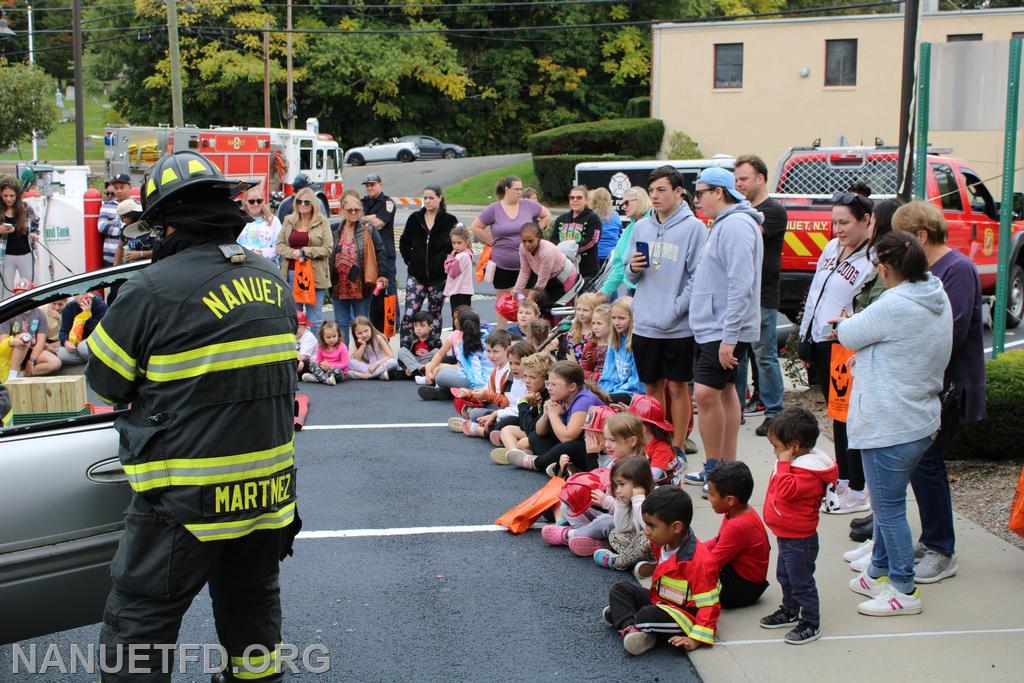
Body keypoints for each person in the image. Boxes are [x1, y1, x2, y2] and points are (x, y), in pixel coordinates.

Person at [84, 150, 301, 681]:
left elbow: (105, 382)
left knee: (139, 625)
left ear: (167, 223)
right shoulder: (272, 279)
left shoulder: (151, 289)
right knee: (252, 617)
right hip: (265, 494)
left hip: (181, 500)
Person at [838, 231, 952, 617]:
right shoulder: (934, 292)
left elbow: (849, 333)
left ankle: (902, 589)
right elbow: (898, 346)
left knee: (889, 510)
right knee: (892, 504)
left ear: (886, 269)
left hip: (889, 422)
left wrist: (849, 323)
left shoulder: (894, 303)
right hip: (918, 417)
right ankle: (879, 570)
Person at [900, 201, 985, 583]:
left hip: (948, 384)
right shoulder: (930, 271)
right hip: (927, 381)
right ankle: (932, 538)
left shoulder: (959, 269)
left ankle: (941, 548)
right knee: (922, 463)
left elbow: (953, 328)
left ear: (921, 236)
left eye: (903, 239)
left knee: (929, 463)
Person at [684, 167, 764, 497]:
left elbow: (740, 283)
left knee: (705, 394)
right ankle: (723, 468)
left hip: (723, 329)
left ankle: (716, 467)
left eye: (700, 192)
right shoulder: (727, 224)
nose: (696, 199)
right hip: (717, 327)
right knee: (725, 391)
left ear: (719, 192)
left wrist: (729, 336)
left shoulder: (735, 226)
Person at [797, 189, 874, 514]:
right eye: (835, 223)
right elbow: (816, 293)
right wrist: (803, 336)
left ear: (866, 221)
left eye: (845, 223)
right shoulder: (832, 247)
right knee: (836, 416)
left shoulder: (873, 258)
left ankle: (858, 487)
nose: (838, 229)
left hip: (846, 345)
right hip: (822, 342)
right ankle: (843, 479)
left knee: (849, 418)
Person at [626, 166, 706, 452]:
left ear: (678, 191)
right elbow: (629, 273)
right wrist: (633, 269)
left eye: (661, 190)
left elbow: (698, 276)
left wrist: (676, 308)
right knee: (651, 388)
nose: (655, 196)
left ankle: (679, 444)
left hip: (678, 325)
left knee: (677, 387)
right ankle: (655, 443)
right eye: (652, 191)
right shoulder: (641, 227)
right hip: (646, 321)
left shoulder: (694, 228)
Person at [607, 486, 719, 655]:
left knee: (646, 615)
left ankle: (628, 621)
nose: (646, 531)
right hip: (662, 601)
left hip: (686, 614)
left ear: (676, 527)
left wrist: (696, 638)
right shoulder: (663, 543)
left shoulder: (698, 561)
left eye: (652, 526)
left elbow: (709, 605)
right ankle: (633, 629)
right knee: (619, 589)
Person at [760, 408, 838, 644]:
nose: (775, 453)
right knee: (785, 575)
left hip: (799, 540)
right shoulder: (795, 464)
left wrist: (783, 464)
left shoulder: (807, 472)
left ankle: (811, 622)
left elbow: (786, 490)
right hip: (786, 536)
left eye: (776, 446)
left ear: (793, 446)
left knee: (801, 581)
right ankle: (790, 610)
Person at [732, 155, 788, 437]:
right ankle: (736, 409)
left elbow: (749, 235)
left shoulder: (772, 211)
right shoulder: (742, 210)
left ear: (761, 178)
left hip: (763, 296)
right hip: (742, 296)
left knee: (764, 355)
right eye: (736, 179)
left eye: (743, 179)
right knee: (738, 357)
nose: (738, 184)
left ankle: (774, 413)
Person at [471, 176, 551, 329]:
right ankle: (502, 333)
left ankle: (528, 333)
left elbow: (546, 214)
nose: (520, 192)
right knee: (503, 301)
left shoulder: (528, 205)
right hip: (502, 263)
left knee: (527, 301)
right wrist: (490, 241)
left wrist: (538, 231)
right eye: (517, 189)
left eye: (521, 189)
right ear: (506, 189)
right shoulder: (494, 208)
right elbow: (476, 227)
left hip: (528, 262)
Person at [500, 361, 606, 473]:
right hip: (580, 447)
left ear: (572, 387)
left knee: (569, 447)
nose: (549, 388)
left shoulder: (583, 401)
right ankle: (560, 466)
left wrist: (553, 414)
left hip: (598, 454)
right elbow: (539, 431)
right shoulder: (563, 396)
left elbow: (567, 437)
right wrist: (546, 414)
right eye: (548, 383)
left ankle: (535, 463)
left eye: (554, 384)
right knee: (536, 438)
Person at [705, 462, 770, 609]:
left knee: (691, 585)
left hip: (742, 588)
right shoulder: (735, 511)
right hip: (737, 574)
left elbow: (712, 563)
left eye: (711, 494)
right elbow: (718, 541)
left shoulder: (738, 525)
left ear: (730, 500)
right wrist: (693, 550)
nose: (709, 498)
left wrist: (683, 564)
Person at [399, 185, 457, 348]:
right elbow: (404, 242)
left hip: (438, 278)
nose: (428, 201)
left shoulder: (449, 220)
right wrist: (410, 260)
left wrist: (445, 265)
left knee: (434, 314)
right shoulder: (415, 218)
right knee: (411, 311)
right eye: (425, 198)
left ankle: (433, 349)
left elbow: (456, 244)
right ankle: (407, 348)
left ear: (440, 198)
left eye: (431, 198)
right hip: (416, 276)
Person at [328, 194, 387, 345]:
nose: (353, 213)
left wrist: (382, 274)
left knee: (362, 324)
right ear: (342, 210)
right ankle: (343, 359)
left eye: (357, 210)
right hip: (338, 284)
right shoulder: (334, 229)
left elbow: (380, 251)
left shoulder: (368, 229)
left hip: (361, 284)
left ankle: (365, 356)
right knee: (341, 323)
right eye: (349, 210)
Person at [276, 187, 334, 336]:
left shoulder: (322, 222)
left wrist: (305, 252)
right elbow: (279, 246)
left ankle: (314, 356)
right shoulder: (289, 220)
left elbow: (327, 249)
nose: (302, 205)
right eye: (299, 202)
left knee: (314, 321)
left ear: (313, 204)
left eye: (306, 202)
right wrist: (292, 253)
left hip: (314, 276)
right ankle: (295, 353)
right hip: (291, 274)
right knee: (294, 318)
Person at [587, 456, 656, 571]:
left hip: (657, 545)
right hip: (643, 549)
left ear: (638, 484)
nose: (617, 490)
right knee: (615, 534)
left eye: (622, 484)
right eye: (616, 485)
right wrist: (621, 503)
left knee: (646, 536)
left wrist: (638, 499)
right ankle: (642, 564)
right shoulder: (630, 501)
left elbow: (648, 526)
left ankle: (618, 562)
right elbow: (623, 527)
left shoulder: (654, 498)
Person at [490, 350, 553, 462]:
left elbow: (530, 429)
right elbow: (527, 424)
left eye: (532, 377)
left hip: (551, 441)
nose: (527, 381)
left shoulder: (550, 396)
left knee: (523, 442)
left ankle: (519, 454)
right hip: (539, 436)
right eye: (525, 376)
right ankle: (515, 453)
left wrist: (523, 402)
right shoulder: (538, 394)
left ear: (546, 378)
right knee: (506, 429)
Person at [448, 329, 513, 436]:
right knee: (470, 408)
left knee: (475, 413)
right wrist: (469, 394)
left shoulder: (510, 372)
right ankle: (480, 424)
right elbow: (486, 392)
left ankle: (478, 427)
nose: (491, 355)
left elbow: (508, 403)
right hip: (496, 407)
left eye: (495, 351)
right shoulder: (495, 370)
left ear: (508, 350)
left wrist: (485, 395)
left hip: (508, 411)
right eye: (488, 351)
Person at [419, 308, 492, 398]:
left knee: (440, 376)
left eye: (457, 318)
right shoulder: (487, 336)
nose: (455, 321)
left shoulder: (465, 344)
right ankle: (445, 392)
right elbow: (440, 354)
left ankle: (447, 392)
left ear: (461, 324)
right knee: (442, 370)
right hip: (489, 378)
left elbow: (474, 370)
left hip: (477, 382)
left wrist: (478, 391)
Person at [361, 174, 399, 333]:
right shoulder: (362, 202)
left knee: (388, 289)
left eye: (373, 185)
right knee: (369, 290)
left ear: (380, 185)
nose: (369, 188)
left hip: (385, 253)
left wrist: (365, 218)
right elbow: (353, 219)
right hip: (367, 254)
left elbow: (379, 223)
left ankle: (392, 324)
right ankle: (371, 325)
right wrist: (369, 218)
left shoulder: (388, 203)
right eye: (367, 185)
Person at [1, 281, 62, 380]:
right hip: (14, 350)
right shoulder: (10, 313)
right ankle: (12, 374)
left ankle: (23, 374)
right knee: (25, 337)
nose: (20, 297)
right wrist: (14, 341)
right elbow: (3, 341)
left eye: (24, 294)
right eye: (17, 294)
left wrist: (31, 360)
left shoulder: (39, 314)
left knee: (55, 363)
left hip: (31, 350)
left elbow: (41, 341)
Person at [601, 187, 651, 301]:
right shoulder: (629, 229)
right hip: (632, 289)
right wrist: (605, 291)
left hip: (650, 291)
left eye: (627, 202)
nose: (624, 206)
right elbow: (619, 264)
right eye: (623, 203)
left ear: (640, 200)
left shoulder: (655, 223)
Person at [513, 221, 578, 307]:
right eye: (524, 241)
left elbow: (541, 282)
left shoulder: (546, 252)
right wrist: (516, 289)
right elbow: (525, 271)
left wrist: (531, 297)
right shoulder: (522, 248)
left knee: (559, 308)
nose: (527, 245)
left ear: (538, 238)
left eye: (530, 241)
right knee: (542, 307)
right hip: (549, 278)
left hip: (565, 277)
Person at [481, 340, 535, 445]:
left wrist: (497, 413)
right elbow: (512, 403)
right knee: (488, 416)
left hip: (524, 417)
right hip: (514, 412)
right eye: (510, 363)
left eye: (518, 364)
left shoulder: (529, 382)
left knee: (503, 422)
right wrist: (496, 414)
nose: (513, 367)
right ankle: (492, 433)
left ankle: (483, 432)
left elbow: (521, 409)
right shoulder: (516, 379)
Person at [551, 185, 602, 283]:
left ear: (586, 200)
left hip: (586, 271)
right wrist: (561, 250)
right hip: (563, 270)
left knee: (585, 298)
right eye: (572, 197)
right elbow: (553, 239)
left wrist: (570, 249)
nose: (575, 200)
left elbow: (592, 240)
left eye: (579, 197)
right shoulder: (561, 219)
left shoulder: (593, 218)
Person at [1, 177, 41, 299]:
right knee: (5, 291)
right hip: (5, 256)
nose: (9, 199)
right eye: (5, 196)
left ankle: (32, 314)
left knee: (30, 288)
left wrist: (34, 234)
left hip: (26, 253)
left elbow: (35, 225)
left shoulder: (26, 208)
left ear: (17, 195)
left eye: (12, 196)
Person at [627, 394, 680, 486]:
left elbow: (653, 476)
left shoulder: (662, 448)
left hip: (664, 490)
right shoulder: (638, 441)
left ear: (642, 428)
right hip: (646, 483)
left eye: (630, 424)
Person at [599, 297, 643, 403]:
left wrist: (613, 394)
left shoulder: (638, 343)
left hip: (633, 393)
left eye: (622, 318)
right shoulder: (615, 340)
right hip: (616, 390)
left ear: (633, 318)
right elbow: (608, 374)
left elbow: (637, 383)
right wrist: (604, 391)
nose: (616, 322)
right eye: (613, 318)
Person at [57, 291, 107, 366]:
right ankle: (90, 360)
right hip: (77, 344)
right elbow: (63, 331)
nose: (80, 296)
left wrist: (88, 314)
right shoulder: (69, 307)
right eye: (77, 293)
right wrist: (66, 342)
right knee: (62, 354)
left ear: (91, 294)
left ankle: (98, 362)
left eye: (84, 293)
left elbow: (100, 332)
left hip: (96, 341)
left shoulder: (101, 306)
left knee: (82, 347)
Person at [237, 184, 282, 263]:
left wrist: (262, 253)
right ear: (245, 201)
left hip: (267, 267)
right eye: (251, 201)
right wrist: (250, 251)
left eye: (259, 201)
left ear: (263, 200)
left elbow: (279, 247)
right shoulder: (238, 220)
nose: (256, 204)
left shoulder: (274, 221)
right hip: (243, 266)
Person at [348, 316, 398, 380]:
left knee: (392, 362)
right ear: (355, 334)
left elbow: (390, 355)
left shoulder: (378, 338)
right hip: (369, 367)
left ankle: (367, 376)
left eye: (366, 331)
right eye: (359, 333)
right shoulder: (359, 342)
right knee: (350, 362)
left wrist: (375, 365)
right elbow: (356, 359)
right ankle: (379, 374)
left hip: (382, 363)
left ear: (371, 328)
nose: (364, 335)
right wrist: (362, 345)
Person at [98, 173, 132, 267]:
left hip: (130, 258)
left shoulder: (137, 206)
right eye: (116, 188)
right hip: (109, 258)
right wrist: (125, 230)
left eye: (122, 187)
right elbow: (102, 227)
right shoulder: (107, 205)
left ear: (130, 187)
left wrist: (112, 222)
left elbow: (138, 230)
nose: (119, 191)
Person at [300, 320, 348, 385]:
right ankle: (326, 380)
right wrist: (322, 365)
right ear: (323, 338)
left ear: (338, 335)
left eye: (334, 336)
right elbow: (317, 361)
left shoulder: (342, 347)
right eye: (328, 337)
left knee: (337, 372)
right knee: (312, 365)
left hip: (336, 370)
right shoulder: (321, 347)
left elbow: (344, 364)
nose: (332, 339)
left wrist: (331, 366)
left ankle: (317, 378)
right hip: (324, 370)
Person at [397, 310, 441, 379]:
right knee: (401, 351)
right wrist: (405, 367)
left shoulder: (435, 339)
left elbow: (440, 356)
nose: (418, 328)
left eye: (422, 326)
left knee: (437, 352)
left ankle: (415, 371)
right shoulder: (411, 338)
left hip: (426, 363)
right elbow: (402, 358)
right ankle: (419, 371)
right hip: (414, 360)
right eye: (416, 325)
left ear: (430, 327)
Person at [443, 224, 475, 317]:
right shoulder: (468, 253)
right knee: (463, 317)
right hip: (463, 291)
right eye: (453, 243)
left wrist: (450, 257)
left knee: (458, 319)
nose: (456, 246)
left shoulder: (462, 256)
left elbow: (451, 271)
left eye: (459, 243)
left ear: (467, 241)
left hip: (459, 291)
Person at [112, 199, 154, 265]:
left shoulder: (150, 227)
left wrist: (141, 254)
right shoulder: (125, 229)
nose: (122, 221)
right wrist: (115, 266)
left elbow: (161, 251)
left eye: (122, 218)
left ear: (131, 216)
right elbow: (120, 248)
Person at [591, 187, 622, 269]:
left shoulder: (590, 216)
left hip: (594, 256)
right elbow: (619, 232)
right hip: (611, 256)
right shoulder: (615, 215)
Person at [580, 303, 611, 382]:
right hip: (597, 383)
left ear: (611, 324)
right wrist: (597, 377)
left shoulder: (619, 344)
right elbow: (583, 370)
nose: (595, 327)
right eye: (593, 323)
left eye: (599, 323)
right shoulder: (591, 345)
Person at [566, 292, 600, 364]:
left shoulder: (599, 333)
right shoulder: (572, 334)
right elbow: (573, 360)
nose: (581, 313)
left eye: (585, 310)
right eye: (578, 309)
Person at [295, 311, 317, 379]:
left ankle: (315, 376)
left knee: (296, 363)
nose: (295, 329)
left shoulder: (308, 337)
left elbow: (302, 357)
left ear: (305, 327)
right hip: (302, 364)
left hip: (313, 365)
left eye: (298, 327)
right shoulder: (292, 336)